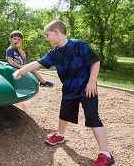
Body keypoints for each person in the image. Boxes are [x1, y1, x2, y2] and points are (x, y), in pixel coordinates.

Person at [12, 20, 116, 166]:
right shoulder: (54, 54)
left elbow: (95, 61)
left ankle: (106, 155)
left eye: (47, 35)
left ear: (56, 32)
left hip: (87, 88)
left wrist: (92, 81)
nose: (46, 38)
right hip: (69, 89)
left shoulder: (78, 45)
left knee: (92, 117)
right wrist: (20, 71)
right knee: (64, 114)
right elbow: (37, 63)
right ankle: (60, 135)